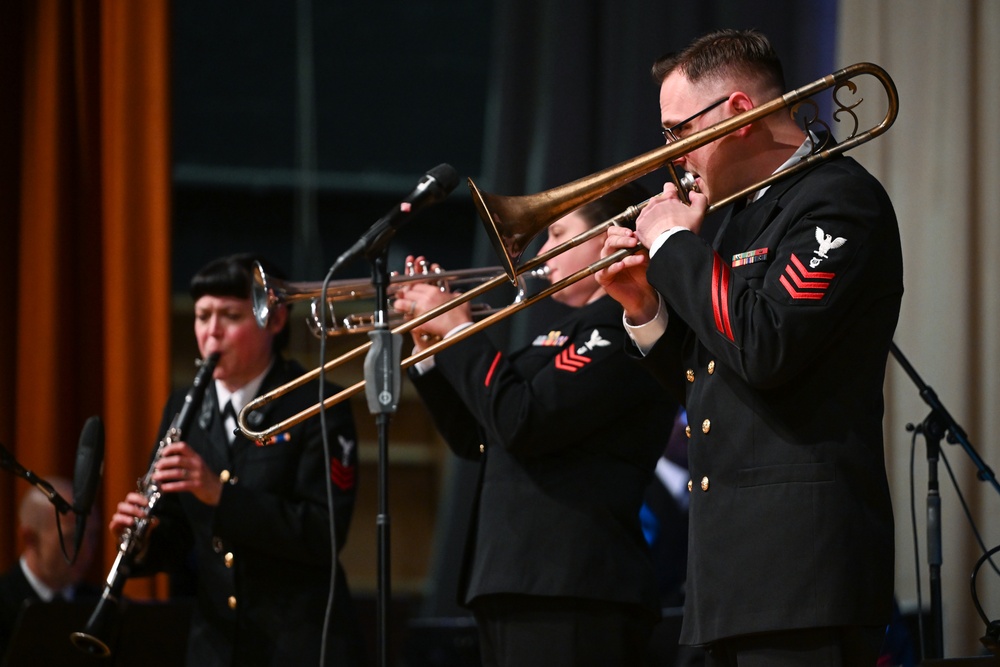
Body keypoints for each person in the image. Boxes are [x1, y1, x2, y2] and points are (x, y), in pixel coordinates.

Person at [597, 29, 903, 666]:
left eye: (677, 132)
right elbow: (711, 378)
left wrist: (674, 247)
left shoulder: (838, 200)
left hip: (805, 574)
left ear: (738, 113)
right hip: (731, 576)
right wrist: (644, 306)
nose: (670, 157)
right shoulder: (738, 218)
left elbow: (764, 346)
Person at [394, 184, 677, 667]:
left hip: (574, 586)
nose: (542, 253)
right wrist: (429, 352)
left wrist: (461, 330)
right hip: (512, 580)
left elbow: (524, 420)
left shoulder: (621, 329)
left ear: (608, 237)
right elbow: (478, 438)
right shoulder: (557, 336)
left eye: (557, 235)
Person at [109, 254, 365, 667]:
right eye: (202, 316)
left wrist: (221, 495)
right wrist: (144, 542)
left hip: (299, 646)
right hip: (215, 647)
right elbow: (180, 535)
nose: (212, 332)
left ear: (275, 320)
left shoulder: (316, 404)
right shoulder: (184, 406)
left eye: (230, 315)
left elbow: (323, 534)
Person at [0, 477, 98, 656]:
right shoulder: (4, 603)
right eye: (72, 539)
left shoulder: (99, 606)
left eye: (91, 536)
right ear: (30, 539)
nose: (86, 552)